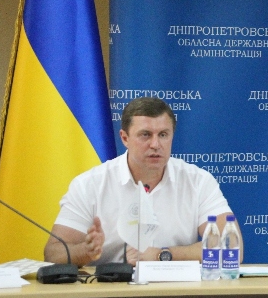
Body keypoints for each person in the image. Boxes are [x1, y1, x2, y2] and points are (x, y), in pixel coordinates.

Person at [45, 97, 238, 266]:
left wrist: (163, 255)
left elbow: (231, 247)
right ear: (125, 138)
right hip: (112, 291)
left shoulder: (197, 181)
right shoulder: (90, 185)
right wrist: (86, 251)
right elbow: (53, 253)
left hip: (178, 291)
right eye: (145, 135)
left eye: (163, 135)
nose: (155, 144)